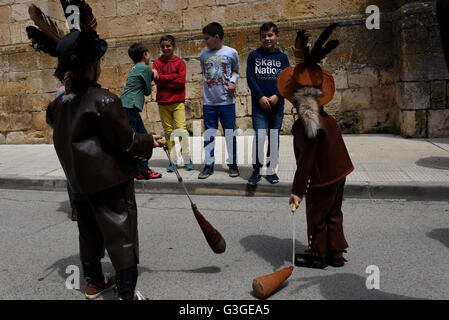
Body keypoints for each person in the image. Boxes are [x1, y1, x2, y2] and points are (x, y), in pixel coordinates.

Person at [45, 29, 163, 299]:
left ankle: (94, 282)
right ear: (93, 67)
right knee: (122, 235)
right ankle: (126, 293)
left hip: (79, 184)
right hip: (110, 183)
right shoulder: (105, 100)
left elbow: (58, 123)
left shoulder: (59, 103)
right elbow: (126, 141)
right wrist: (149, 142)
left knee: (89, 234)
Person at [278, 24, 354, 269]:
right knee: (334, 212)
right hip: (340, 173)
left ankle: (318, 254)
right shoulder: (327, 118)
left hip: (322, 179)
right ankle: (336, 253)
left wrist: (297, 192)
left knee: (317, 215)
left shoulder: (306, 125)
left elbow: (306, 162)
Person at [247, 22, 290, 185]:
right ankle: (257, 170)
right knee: (259, 136)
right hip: (259, 105)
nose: (267, 39)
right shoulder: (254, 56)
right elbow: (250, 78)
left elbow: (287, 80)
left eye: (270, 35)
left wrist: (277, 95)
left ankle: (271, 169)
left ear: (277, 37)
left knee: (274, 137)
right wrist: (260, 96)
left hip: (277, 106)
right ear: (260, 38)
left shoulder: (282, 57)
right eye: (264, 36)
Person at [198, 22, 240, 179]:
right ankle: (209, 164)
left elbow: (236, 70)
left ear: (217, 37)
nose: (205, 42)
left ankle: (233, 164)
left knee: (229, 133)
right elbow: (205, 73)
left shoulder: (232, 52)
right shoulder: (203, 55)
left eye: (207, 38)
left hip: (226, 102)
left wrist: (233, 81)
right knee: (209, 134)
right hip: (209, 102)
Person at [120, 42, 162, 180]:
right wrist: (152, 74)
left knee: (140, 137)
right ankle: (142, 170)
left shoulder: (136, 68)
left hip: (127, 106)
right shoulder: (144, 68)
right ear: (145, 54)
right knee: (140, 139)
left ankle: (139, 169)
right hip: (130, 106)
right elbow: (147, 91)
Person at [152, 35, 193, 172]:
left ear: (174, 47)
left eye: (168, 46)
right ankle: (173, 160)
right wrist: (172, 78)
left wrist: (164, 79)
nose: (165, 48)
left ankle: (187, 157)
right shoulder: (156, 63)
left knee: (181, 129)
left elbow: (180, 82)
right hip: (163, 102)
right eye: (163, 46)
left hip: (177, 102)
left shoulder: (180, 63)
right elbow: (157, 80)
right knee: (169, 132)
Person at [55, 83, 77, 221]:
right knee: (73, 174)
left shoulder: (60, 93)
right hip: (71, 138)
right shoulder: (64, 93)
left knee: (72, 174)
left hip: (67, 138)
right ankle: (76, 208)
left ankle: (77, 208)